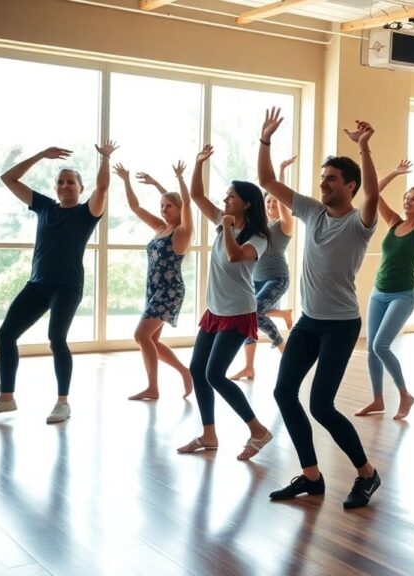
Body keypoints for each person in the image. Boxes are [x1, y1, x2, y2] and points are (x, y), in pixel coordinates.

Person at [258, 108, 382, 507]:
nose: (323, 183)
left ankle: (367, 473)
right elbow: (267, 181)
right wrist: (265, 140)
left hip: (341, 325)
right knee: (283, 392)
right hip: (309, 322)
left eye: (331, 179)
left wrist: (364, 148)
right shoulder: (312, 211)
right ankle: (311, 477)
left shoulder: (360, 223)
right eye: (322, 178)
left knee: (321, 406)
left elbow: (374, 196)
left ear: (350, 185)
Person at [0, 141, 115, 423]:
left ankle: (63, 403)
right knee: (5, 335)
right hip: (37, 285)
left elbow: (103, 188)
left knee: (56, 338)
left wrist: (105, 159)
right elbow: (8, 178)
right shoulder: (44, 207)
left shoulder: (86, 214)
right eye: (60, 182)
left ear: (81, 188)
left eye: (71, 182)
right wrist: (40, 155)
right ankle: (6, 398)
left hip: (67, 287)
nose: (64, 186)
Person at [176, 144, 272, 461]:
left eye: (231, 196)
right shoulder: (223, 220)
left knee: (215, 374)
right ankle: (209, 434)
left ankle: (258, 430)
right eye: (226, 196)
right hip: (215, 311)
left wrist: (228, 227)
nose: (225, 200)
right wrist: (198, 163)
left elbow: (234, 256)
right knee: (197, 369)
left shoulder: (258, 236)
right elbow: (196, 195)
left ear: (247, 203)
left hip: (238, 312)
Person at [353, 158, 414, 420]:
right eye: (406, 197)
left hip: (403, 295)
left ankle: (405, 395)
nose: (408, 201)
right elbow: (372, 193)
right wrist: (395, 173)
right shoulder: (394, 223)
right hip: (379, 292)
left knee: (381, 345)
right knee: (372, 349)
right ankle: (377, 400)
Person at [113, 161, 194, 400]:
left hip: (169, 291)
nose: (163, 210)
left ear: (179, 209)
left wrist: (180, 179)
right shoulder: (161, 228)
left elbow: (186, 202)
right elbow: (135, 207)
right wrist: (127, 180)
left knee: (141, 336)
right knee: (151, 341)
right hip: (154, 290)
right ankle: (185, 372)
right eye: (161, 206)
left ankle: (153, 387)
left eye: (168, 206)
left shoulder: (182, 232)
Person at [228, 155, 297, 381]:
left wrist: (281, 172)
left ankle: (285, 351)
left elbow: (284, 200)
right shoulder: (259, 226)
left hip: (277, 278)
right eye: (268, 202)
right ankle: (249, 367)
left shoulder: (284, 225)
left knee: (254, 313)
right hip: (255, 278)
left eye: (275, 202)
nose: (271, 205)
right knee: (247, 316)